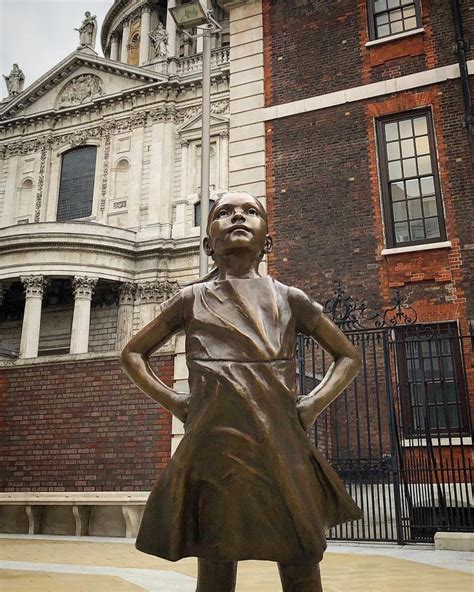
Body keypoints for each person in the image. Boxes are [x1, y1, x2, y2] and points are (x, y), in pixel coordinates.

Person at [121, 191, 362, 592]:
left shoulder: (290, 299)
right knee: (216, 560)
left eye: (250, 212)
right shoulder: (190, 300)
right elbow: (132, 354)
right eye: (224, 213)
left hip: (283, 447)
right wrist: (178, 402)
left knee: (301, 555)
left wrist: (311, 406)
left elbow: (348, 357)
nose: (238, 218)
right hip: (215, 450)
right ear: (207, 244)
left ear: (267, 240)